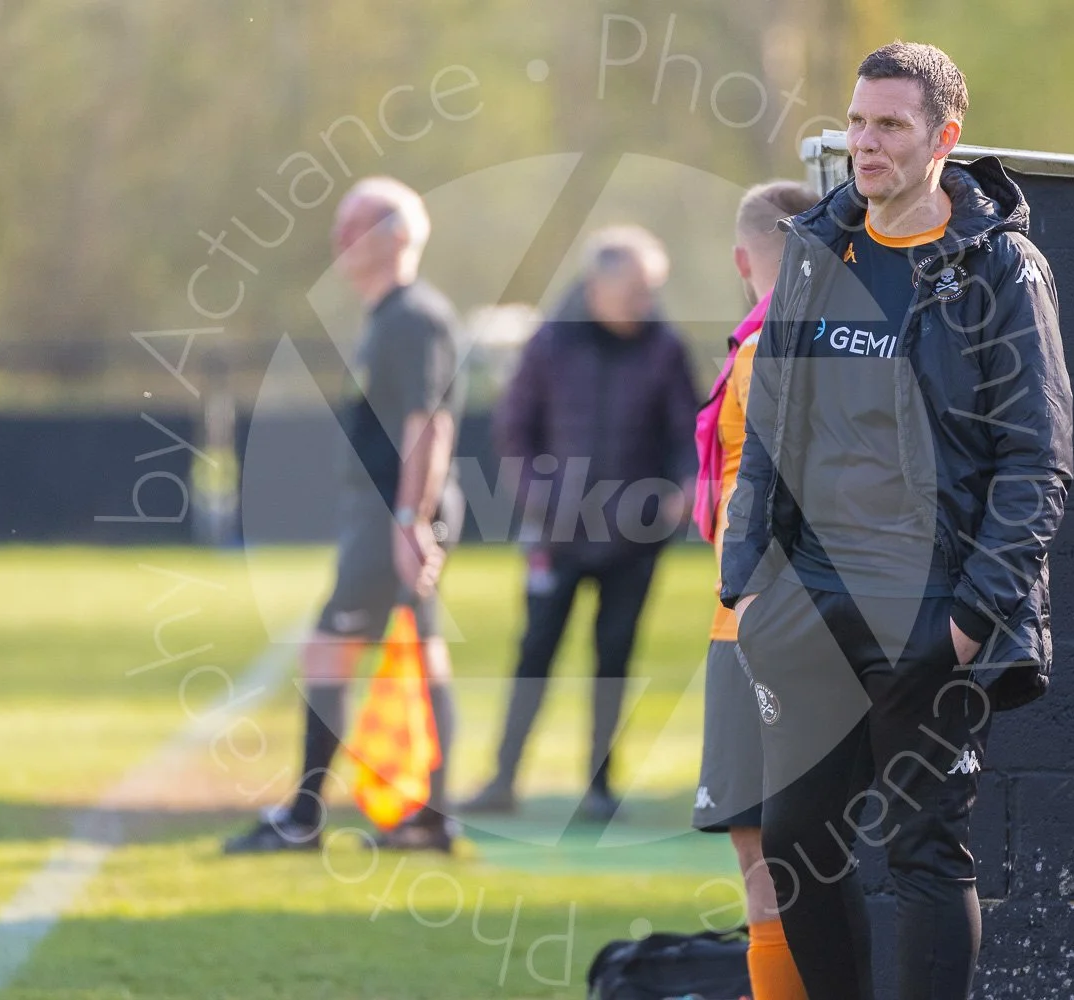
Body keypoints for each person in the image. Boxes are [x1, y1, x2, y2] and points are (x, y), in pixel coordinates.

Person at [722, 43, 1073, 1000]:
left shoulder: (1001, 267)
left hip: (931, 609)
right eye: (857, 124)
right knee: (795, 842)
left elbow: (1037, 463)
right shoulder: (817, 247)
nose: (865, 147)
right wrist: (748, 578)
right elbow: (773, 426)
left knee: (923, 849)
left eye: (890, 127)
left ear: (943, 138)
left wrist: (966, 623)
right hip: (808, 605)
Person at [225, 176, 466, 854]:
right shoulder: (388, 316)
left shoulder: (414, 316)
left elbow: (431, 426)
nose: (339, 238)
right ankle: (429, 818)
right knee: (419, 654)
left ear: (395, 236)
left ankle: (305, 818)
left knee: (332, 649)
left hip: (395, 513)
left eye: (355, 224)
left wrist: (410, 520)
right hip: (390, 511)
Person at [462, 226, 698, 822]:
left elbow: (687, 434)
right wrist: (542, 502)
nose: (646, 303)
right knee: (534, 651)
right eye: (637, 291)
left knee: (613, 657)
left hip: (635, 538)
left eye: (652, 292)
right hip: (557, 537)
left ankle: (598, 786)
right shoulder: (548, 345)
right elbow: (515, 432)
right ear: (599, 286)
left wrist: (678, 493)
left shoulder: (665, 348)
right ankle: (502, 779)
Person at [690, 180, 819, 1000]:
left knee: (767, 866)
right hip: (820, 627)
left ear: (745, 260)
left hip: (757, 630)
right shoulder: (836, 341)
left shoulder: (765, 347)